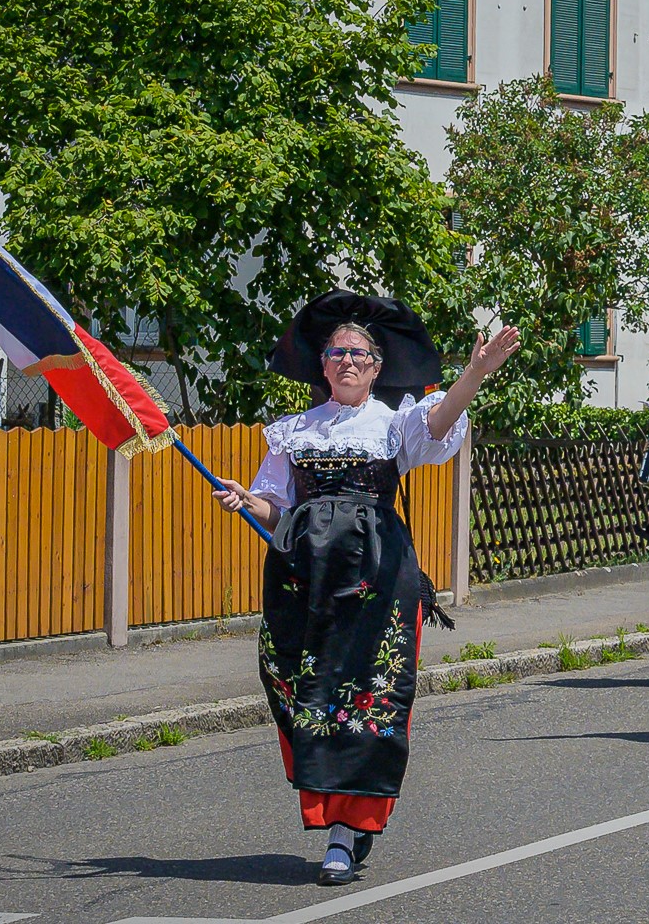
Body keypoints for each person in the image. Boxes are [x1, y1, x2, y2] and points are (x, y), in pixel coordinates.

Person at [213, 293, 519, 885]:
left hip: (376, 578)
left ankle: (346, 831)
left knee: (371, 696)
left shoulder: (392, 422)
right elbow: (277, 513)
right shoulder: (293, 432)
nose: (347, 361)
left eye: (359, 354)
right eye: (337, 353)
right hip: (304, 580)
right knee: (304, 691)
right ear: (322, 365)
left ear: (377, 366)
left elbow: (438, 421)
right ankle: (333, 818)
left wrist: (475, 373)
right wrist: (245, 500)